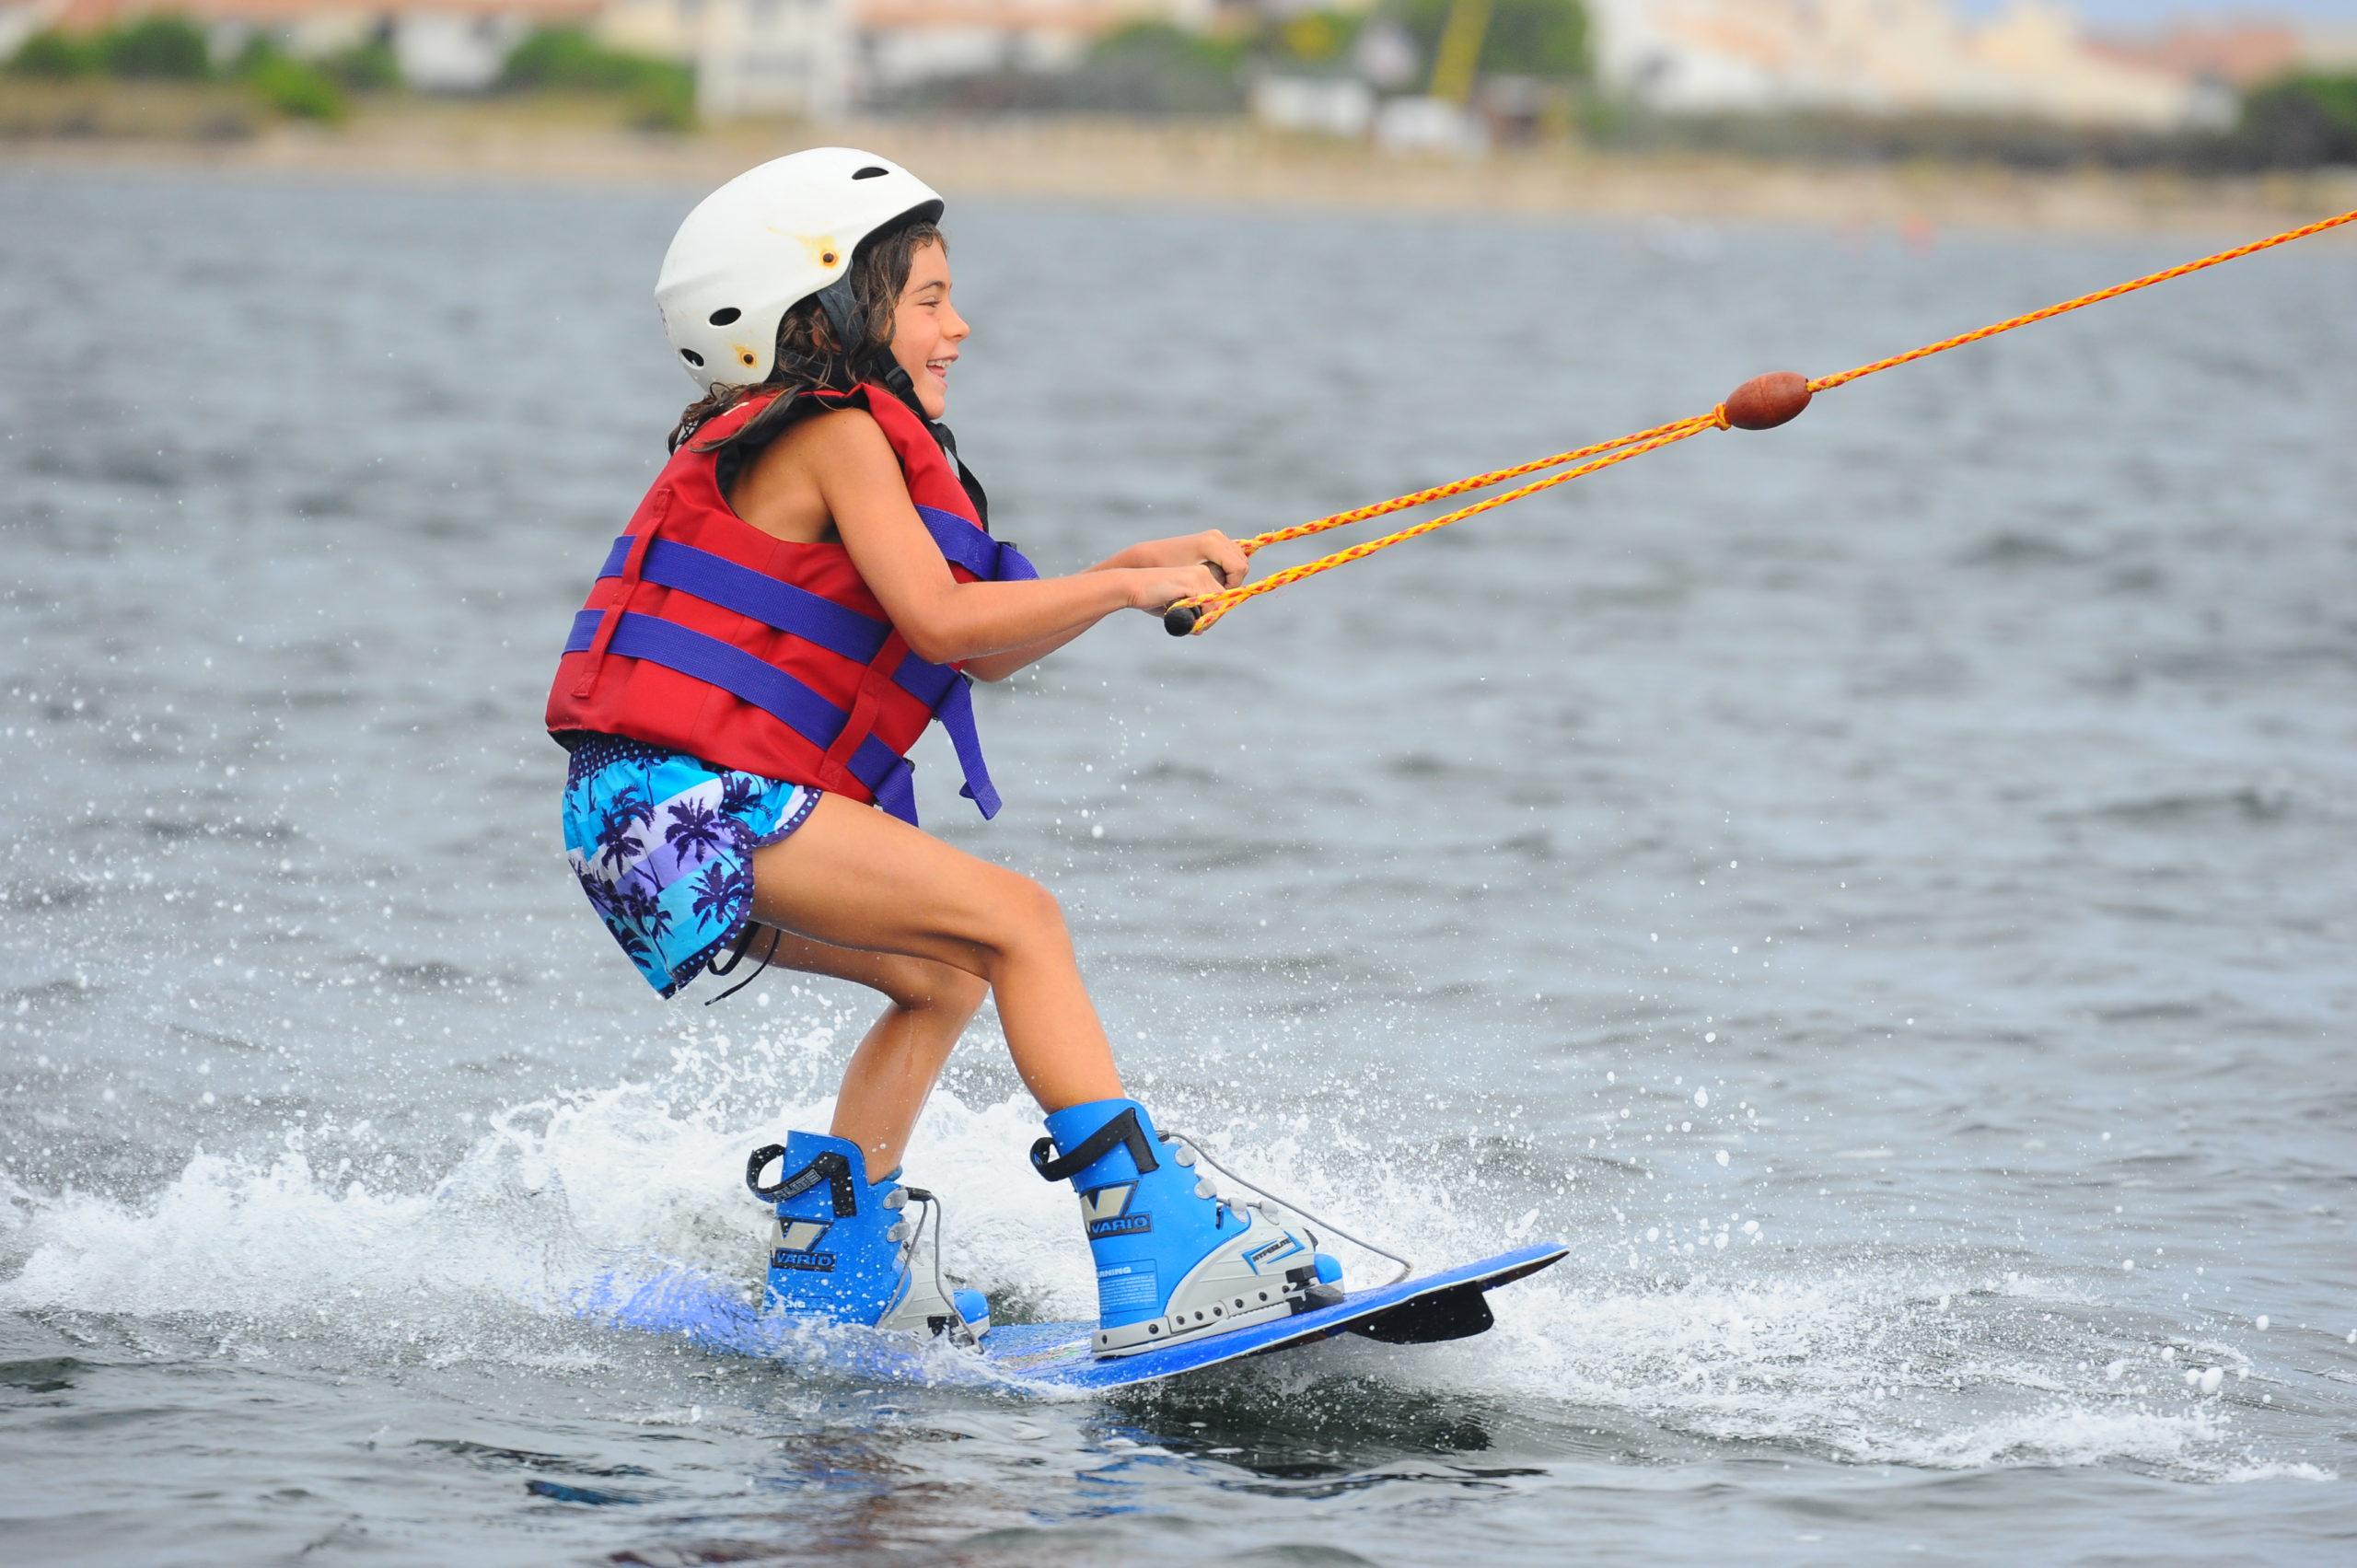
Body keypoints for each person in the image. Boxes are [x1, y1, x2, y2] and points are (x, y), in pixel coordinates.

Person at [545, 149, 1343, 1355]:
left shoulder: (790, 437)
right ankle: (1153, 1246)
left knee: (947, 974)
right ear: (826, 310)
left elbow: (981, 651)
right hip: (687, 803)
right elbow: (942, 622)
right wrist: (1127, 584)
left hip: (631, 822)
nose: (959, 326)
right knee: (1022, 920)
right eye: (927, 298)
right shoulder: (835, 435)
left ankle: (835, 1262)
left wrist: (1126, 569)